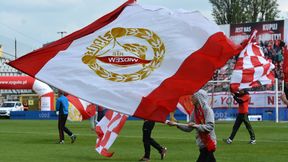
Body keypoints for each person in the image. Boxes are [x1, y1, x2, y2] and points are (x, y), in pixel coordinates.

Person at [167, 89, 216, 162]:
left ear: (199, 98)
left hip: (209, 142)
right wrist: (176, 124)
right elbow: (189, 128)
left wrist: (196, 126)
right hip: (202, 143)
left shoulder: (207, 110)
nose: (191, 98)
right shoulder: (195, 111)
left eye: (193, 97)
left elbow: (210, 127)